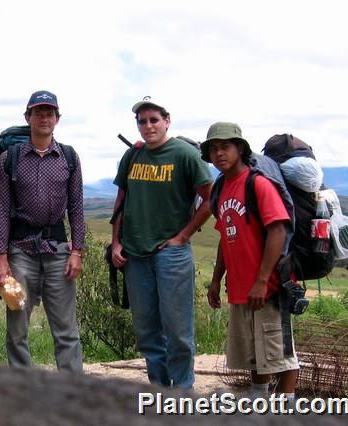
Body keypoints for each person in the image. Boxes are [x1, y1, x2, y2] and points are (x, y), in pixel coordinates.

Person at [111, 96, 213, 388]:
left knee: (178, 330)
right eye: (142, 121)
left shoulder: (184, 154)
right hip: (135, 253)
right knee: (147, 332)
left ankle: (182, 393)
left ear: (167, 121)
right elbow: (121, 200)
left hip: (171, 254)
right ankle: (159, 389)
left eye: (154, 120)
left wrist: (183, 236)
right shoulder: (133, 156)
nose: (148, 126)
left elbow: (210, 199)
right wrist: (116, 243)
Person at [203, 122, 299, 401]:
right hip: (241, 288)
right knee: (257, 357)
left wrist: (261, 280)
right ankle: (260, 407)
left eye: (225, 147)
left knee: (281, 355)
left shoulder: (257, 184)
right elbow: (225, 235)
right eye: (213, 148)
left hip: (269, 287)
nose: (219, 153)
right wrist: (216, 279)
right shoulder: (221, 189)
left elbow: (278, 230)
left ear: (240, 149)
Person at [0, 90, 84, 373]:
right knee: (17, 325)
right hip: (20, 252)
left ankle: (73, 390)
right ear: (27, 117)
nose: (44, 118)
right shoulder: (9, 159)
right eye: (38, 113)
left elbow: (77, 207)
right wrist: (1, 256)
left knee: (65, 326)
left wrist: (77, 251)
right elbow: (0, 208)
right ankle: (23, 386)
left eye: (49, 113)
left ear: (57, 118)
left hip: (58, 250)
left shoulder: (68, 157)